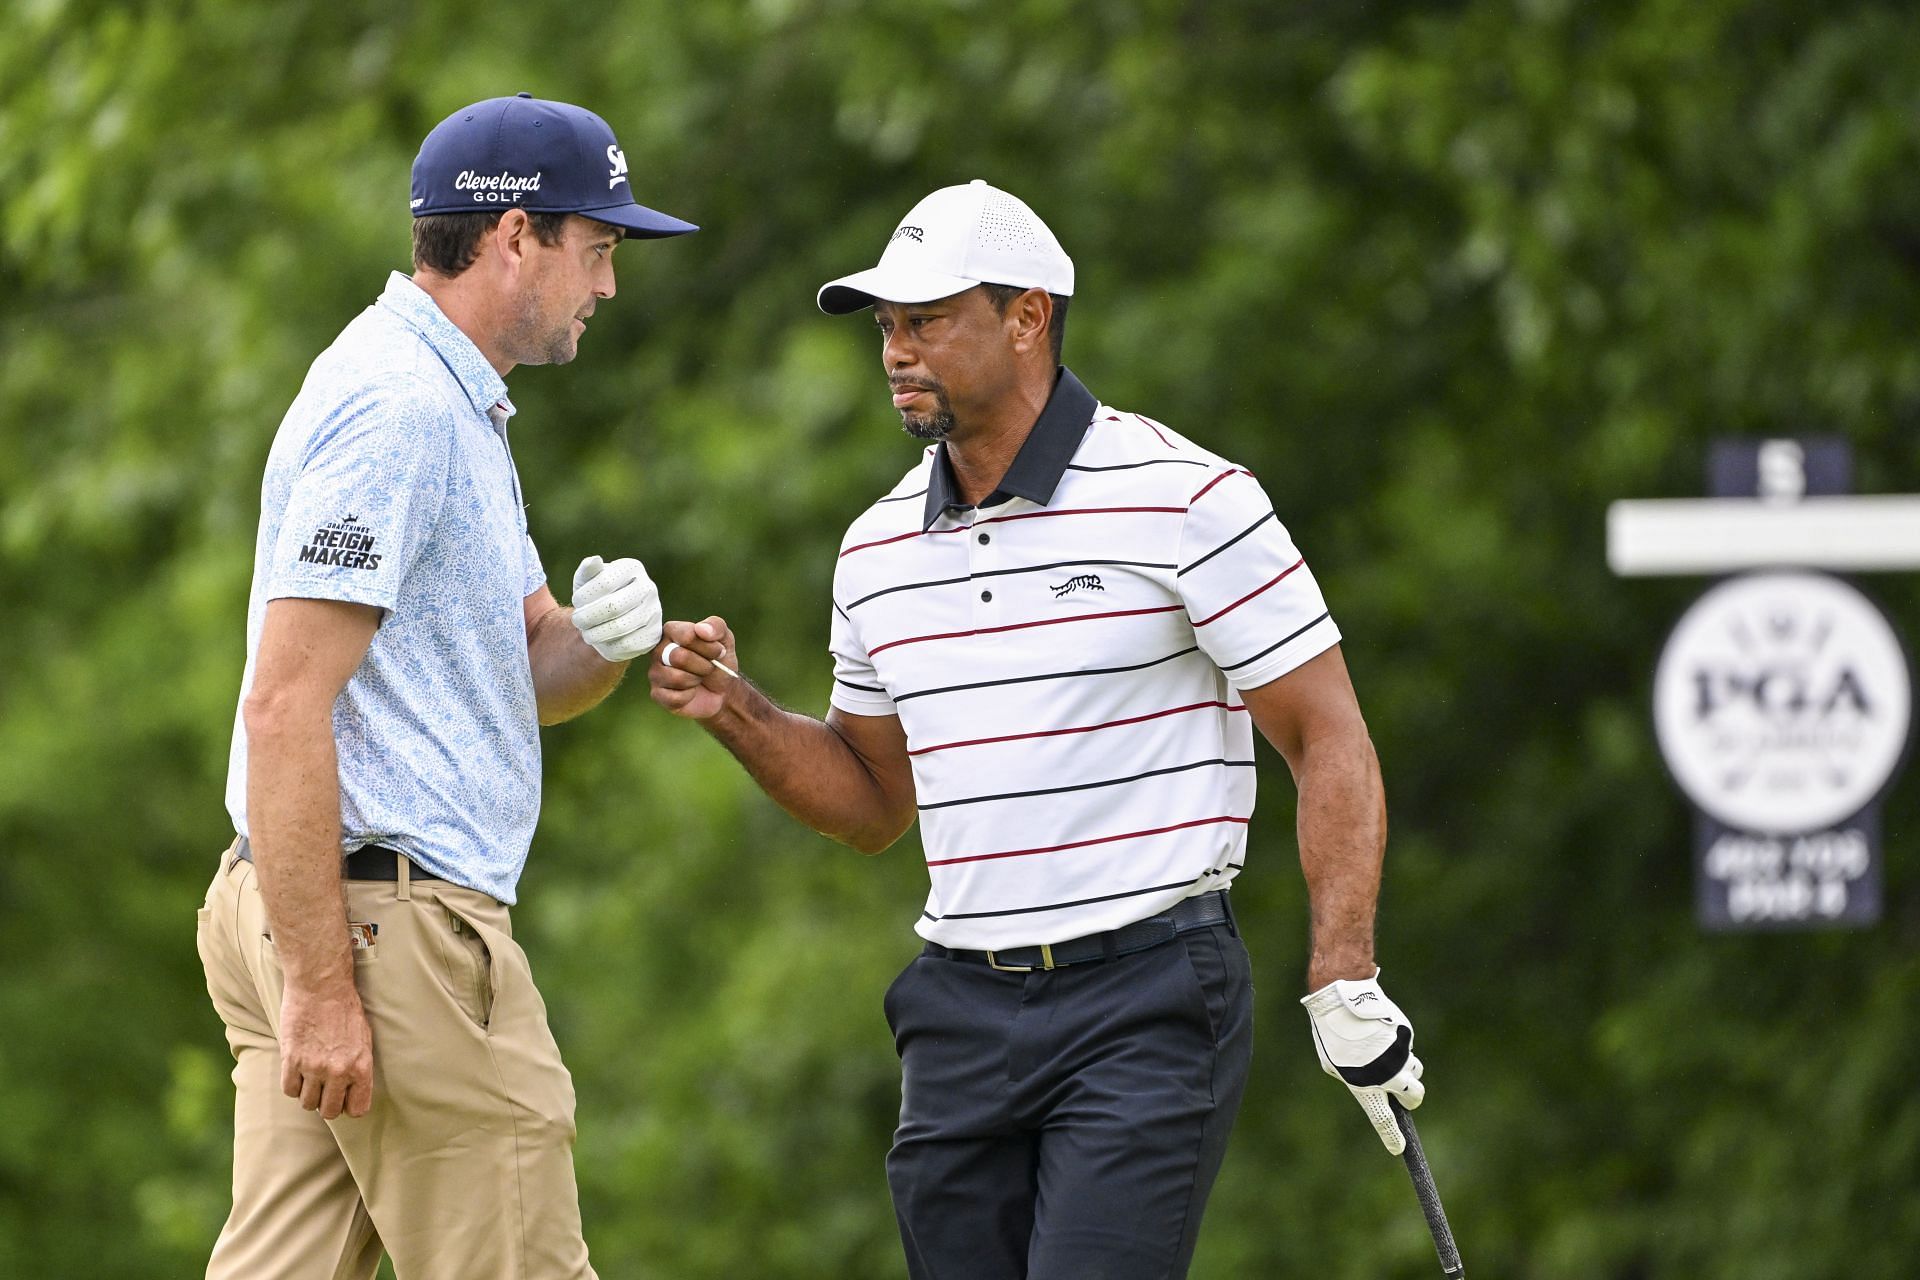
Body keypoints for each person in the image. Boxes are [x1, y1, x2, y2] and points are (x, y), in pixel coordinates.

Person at [648, 180, 1428, 1279]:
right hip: (958, 1005)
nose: (896, 352)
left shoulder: (1187, 497)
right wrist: (738, 708)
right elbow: (873, 804)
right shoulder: (875, 550)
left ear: (1027, 318)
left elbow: (1326, 735)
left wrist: (1343, 970)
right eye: (886, 326)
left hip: (1148, 994)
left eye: (927, 321)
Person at [195, 93, 695, 1280]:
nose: (608, 285)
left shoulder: (455, 403)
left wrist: (603, 638)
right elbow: (282, 700)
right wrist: (324, 986)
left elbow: (527, 670)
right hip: (386, 927)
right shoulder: (398, 406)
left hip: (322, 907)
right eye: (599, 247)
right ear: (515, 235)